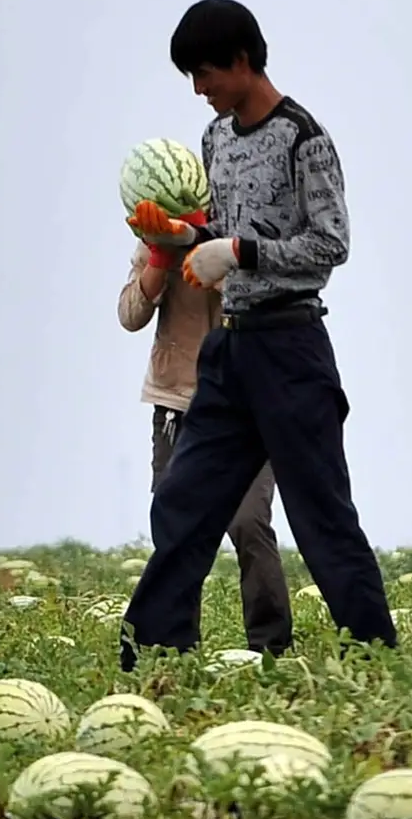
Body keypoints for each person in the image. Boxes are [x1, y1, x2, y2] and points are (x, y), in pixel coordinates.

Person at [119, 0, 396, 668]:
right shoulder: (215, 140)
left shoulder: (304, 138)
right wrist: (185, 237)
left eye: (206, 72)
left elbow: (331, 243)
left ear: (243, 60)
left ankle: (376, 652)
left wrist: (240, 255)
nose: (199, 88)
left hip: (291, 349)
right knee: (184, 501)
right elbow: (221, 233)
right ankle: (154, 649)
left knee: (321, 514)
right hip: (230, 349)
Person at [118, 182, 292, 654]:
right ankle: (175, 649)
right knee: (177, 531)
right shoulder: (156, 238)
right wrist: (161, 254)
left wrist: (204, 247)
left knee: (249, 524)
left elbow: (257, 294)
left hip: (245, 408)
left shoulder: (243, 231)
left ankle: (272, 648)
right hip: (176, 406)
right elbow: (130, 314)